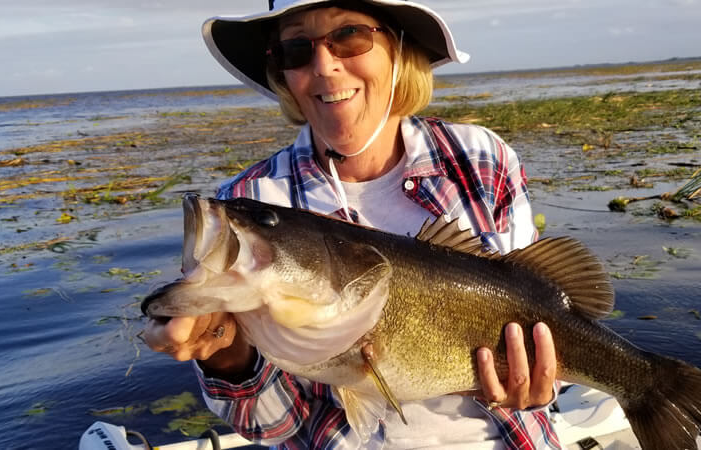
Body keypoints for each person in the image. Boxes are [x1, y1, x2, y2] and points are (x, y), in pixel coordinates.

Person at [144, 0, 561, 448]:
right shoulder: (251, 200)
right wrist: (227, 358)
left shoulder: (481, 158)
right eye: (296, 50)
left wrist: (540, 383)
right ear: (281, 72)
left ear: (398, 48)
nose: (324, 66)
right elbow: (276, 429)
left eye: (349, 36)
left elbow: (544, 320)